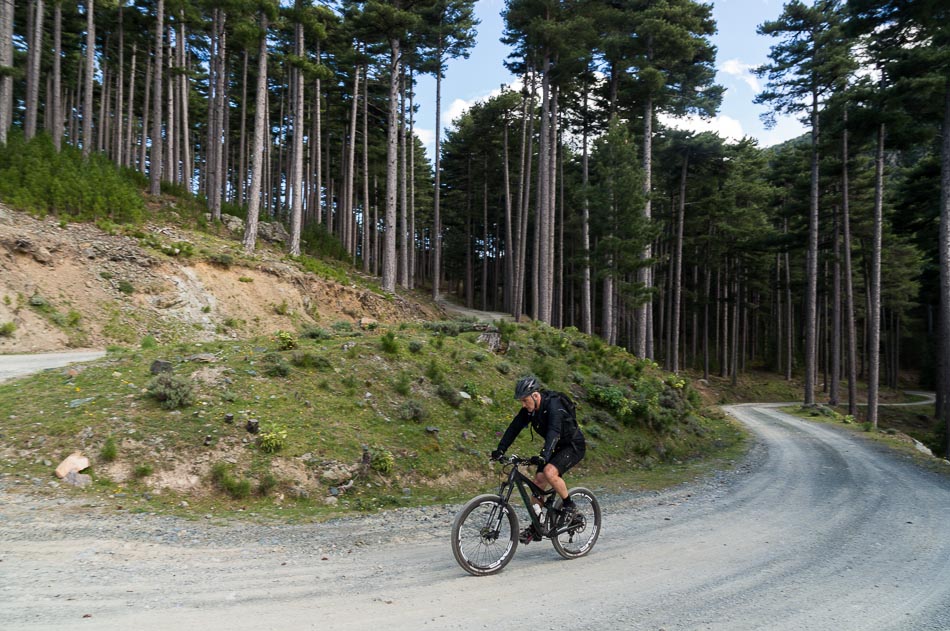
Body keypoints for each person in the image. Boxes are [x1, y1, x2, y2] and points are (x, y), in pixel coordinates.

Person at [490, 375, 586, 543]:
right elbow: (514, 428)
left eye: (525, 400)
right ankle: (537, 527)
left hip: (573, 445)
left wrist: (544, 455)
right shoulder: (529, 410)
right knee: (538, 482)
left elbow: (554, 431)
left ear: (535, 395)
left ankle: (569, 505)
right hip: (556, 446)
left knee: (549, 472)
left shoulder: (554, 406)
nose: (523, 405)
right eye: (521, 401)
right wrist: (500, 449)